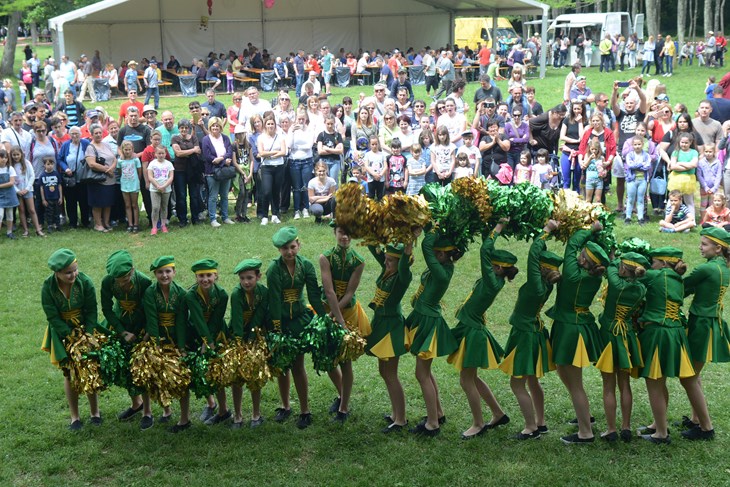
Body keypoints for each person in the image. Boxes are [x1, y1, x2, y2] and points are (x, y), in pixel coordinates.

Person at [636, 247, 710, 443]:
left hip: (658, 334)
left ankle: (661, 433)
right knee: (660, 382)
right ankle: (657, 424)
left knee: (654, 384)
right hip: (676, 334)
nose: (651, 265)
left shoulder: (656, 275)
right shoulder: (678, 280)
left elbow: (627, 276)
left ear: (663, 263)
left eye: (653, 261)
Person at [448, 223, 513, 439]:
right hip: (471, 327)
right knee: (472, 378)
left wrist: (498, 228)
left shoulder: (492, 281)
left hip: (473, 332)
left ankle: (478, 424)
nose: (489, 266)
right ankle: (498, 413)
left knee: (466, 380)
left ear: (499, 269)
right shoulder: (496, 280)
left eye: (493, 264)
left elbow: (484, 250)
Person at [500, 220, 561, 439]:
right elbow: (539, 254)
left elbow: (533, 253)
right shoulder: (547, 283)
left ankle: (530, 427)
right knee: (532, 380)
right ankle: (540, 422)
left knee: (517, 383)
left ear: (541, 269)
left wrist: (547, 231)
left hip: (524, 335)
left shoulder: (536, 285)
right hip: (533, 332)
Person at [549, 223, 608, 444]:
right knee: (564, 371)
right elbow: (576, 248)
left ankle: (585, 432)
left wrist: (590, 229)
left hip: (570, 329)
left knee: (575, 383)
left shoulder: (574, 274)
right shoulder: (594, 276)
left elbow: (572, 242)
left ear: (583, 260)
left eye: (580, 255)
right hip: (576, 324)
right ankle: (586, 417)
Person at [267, 226, 326, 429]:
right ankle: (285, 406)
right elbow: (274, 300)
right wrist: (276, 329)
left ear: (298, 245)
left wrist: (325, 317)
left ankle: (305, 410)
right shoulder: (273, 270)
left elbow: (313, 295)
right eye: (284, 248)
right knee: (282, 368)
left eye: (292, 247)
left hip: (300, 320)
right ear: (279, 250)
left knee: (298, 366)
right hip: (280, 322)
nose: (289, 252)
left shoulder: (307, 266)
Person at [41, 248, 106, 430]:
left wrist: (89, 333)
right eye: (68, 273)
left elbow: (92, 309)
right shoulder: (48, 287)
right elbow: (52, 315)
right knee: (69, 374)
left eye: (75, 270)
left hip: (85, 329)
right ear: (57, 273)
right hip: (62, 332)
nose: (73, 275)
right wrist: (69, 336)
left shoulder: (85, 282)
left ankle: (95, 413)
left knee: (89, 369)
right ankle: (75, 417)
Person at [406, 230, 461, 437]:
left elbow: (425, 247)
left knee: (421, 374)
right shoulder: (443, 267)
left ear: (441, 255)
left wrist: (432, 228)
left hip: (428, 322)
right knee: (426, 373)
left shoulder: (441, 271)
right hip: (424, 317)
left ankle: (432, 424)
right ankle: (437, 413)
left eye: (436, 252)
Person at [679, 227, 730, 438]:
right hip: (709, 322)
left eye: (704, 244)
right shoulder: (722, 267)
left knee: (687, 377)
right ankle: (696, 419)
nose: (700, 247)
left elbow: (681, 286)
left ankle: (706, 428)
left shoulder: (707, 269)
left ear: (718, 248)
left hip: (703, 324)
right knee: (694, 374)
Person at [594, 253, 649, 443]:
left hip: (609, 334)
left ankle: (611, 429)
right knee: (624, 383)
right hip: (627, 336)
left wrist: (616, 256)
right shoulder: (641, 289)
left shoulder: (616, 285)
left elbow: (611, 264)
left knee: (608, 385)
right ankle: (626, 426)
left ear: (624, 269)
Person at [319, 223, 370, 423]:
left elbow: (350, 293)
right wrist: (333, 316)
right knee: (328, 358)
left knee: (345, 360)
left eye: (348, 233)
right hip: (328, 311)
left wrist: (338, 316)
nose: (345, 237)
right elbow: (329, 290)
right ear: (335, 233)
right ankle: (342, 394)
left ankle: (344, 408)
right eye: (341, 232)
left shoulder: (359, 261)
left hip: (347, 312)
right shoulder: (325, 258)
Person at [100, 250, 154, 429]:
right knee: (124, 366)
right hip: (120, 325)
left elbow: (150, 310)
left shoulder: (144, 282)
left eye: (126, 278)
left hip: (140, 327)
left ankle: (147, 411)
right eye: (119, 280)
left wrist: (144, 333)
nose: (123, 282)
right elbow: (107, 309)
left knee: (141, 368)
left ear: (132, 270)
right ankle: (135, 403)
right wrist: (122, 331)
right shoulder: (108, 282)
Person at [366, 237, 415, 433]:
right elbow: (373, 247)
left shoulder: (403, 275)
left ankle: (401, 419)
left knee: (391, 374)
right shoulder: (387, 269)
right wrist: (372, 229)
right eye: (385, 259)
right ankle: (395, 414)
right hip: (380, 324)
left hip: (391, 326)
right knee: (384, 372)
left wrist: (409, 244)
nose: (385, 262)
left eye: (390, 260)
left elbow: (403, 261)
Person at [143, 255, 191, 433]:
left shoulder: (181, 294)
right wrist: (155, 345)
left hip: (177, 339)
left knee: (181, 377)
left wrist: (181, 347)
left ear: (174, 272)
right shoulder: (150, 293)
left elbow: (181, 321)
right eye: (160, 272)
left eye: (168, 271)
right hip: (158, 338)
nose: (164, 275)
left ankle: (185, 418)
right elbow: (152, 320)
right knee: (157, 374)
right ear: (155, 274)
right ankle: (166, 410)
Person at [185, 259, 230, 426]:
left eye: (209, 275)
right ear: (196, 277)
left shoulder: (222, 294)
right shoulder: (190, 295)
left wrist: (210, 342)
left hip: (217, 334)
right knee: (199, 370)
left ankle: (223, 410)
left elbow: (216, 320)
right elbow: (197, 319)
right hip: (196, 333)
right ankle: (211, 402)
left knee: (216, 371)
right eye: (201, 276)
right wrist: (205, 341)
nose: (205, 279)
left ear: (216, 275)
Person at [201, 117, 234, 227]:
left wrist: (221, 160)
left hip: (225, 172)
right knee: (213, 196)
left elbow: (229, 151)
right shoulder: (206, 139)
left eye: (217, 126)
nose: (215, 128)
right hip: (212, 172)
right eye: (213, 126)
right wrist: (223, 161)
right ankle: (213, 218)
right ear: (210, 127)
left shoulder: (225, 138)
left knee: (224, 195)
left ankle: (225, 217)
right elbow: (207, 155)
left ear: (221, 127)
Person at [85, 123, 117, 232]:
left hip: (110, 179)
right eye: (96, 133)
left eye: (100, 132)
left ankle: (106, 222)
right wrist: (107, 170)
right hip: (98, 180)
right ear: (92, 135)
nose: (98, 135)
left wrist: (112, 168)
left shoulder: (106, 144)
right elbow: (91, 164)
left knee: (108, 202)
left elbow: (114, 158)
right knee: (97, 203)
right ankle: (98, 224)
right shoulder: (90, 147)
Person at [256, 113, 287, 226]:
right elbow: (261, 152)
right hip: (267, 168)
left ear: (275, 125)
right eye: (268, 124)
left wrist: (271, 154)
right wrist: (275, 153)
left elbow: (284, 152)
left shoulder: (281, 136)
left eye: (272, 124)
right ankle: (264, 216)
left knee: (276, 191)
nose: (270, 126)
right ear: (265, 125)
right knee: (266, 191)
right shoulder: (261, 137)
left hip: (279, 167)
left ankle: (275, 214)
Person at [667, 132, 699, 222]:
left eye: (686, 143)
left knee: (689, 201)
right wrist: (687, 166)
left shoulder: (694, 152)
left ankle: (692, 220)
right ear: (679, 142)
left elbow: (694, 164)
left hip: (689, 179)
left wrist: (680, 163)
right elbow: (673, 166)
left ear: (690, 143)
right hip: (676, 179)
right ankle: (668, 218)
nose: (684, 144)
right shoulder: (676, 152)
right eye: (682, 142)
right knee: (672, 200)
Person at [623, 136, 652, 225]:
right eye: (635, 144)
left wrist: (637, 165)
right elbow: (630, 165)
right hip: (632, 179)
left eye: (639, 144)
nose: (637, 146)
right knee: (630, 199)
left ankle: (641, 218)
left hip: (642, 180)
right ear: (632, 145)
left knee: (641, 199)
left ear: (642, 144)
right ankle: (628, 217)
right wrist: (640, 165)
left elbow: (647, 166)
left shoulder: (646, 155)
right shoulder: (629, 155)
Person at [147, 145, 174, 235]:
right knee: (155, 207)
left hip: (166, 189)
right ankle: (154, 226)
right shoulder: (152, 163)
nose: (161, 155)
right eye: (159, 153)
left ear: (165, 154)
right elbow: (150, 176)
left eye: (162, 153)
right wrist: (158, 186)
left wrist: (164, 186)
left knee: (164, 207)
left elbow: (171, 177)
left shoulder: (169, 164)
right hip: (154, 189)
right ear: (155, 154)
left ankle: (163, 225)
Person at [559, 100, 586, 191]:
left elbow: (582, 138)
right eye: (574, 109)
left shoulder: (585, 122)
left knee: (576, 181)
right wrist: (575, 141)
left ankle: (576, 202)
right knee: (566, 180)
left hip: (579, 154)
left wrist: (580, 122)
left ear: (582, 109)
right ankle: (565, 201)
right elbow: (562, 136)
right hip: (567, 152)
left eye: (578, 109)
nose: (576, 111)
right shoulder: (567, 120)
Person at [697, 144, 722, 220]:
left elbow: (719, 176)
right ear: (704, 152)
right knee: (703, 204)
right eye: (706, 151)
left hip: (714, 189)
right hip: (704, 188)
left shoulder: (718, 162)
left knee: (713, 204)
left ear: (714, 152)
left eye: (710, 151)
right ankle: (703, 220)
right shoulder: (701, 162)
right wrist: (705, 187)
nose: (708, 153)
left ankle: (712, 219)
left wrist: (714, 188)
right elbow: (699, 175)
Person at [39, 157, 62, 232]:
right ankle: (50, 225)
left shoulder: (56, 174)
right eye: (48, 164)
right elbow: (41, 188)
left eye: (52, 164)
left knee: (57, 212)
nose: (50, 166)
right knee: (49, 212)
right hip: (48, 198)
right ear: (44, 165)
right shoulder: (42, 175)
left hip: (56, 197)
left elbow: (59, 185)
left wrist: (61, 197)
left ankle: (57, 225)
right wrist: (43, 199)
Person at [0, 148, 18, 238]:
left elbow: (11, 182)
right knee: (0, 214)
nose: (4, 159)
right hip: (0, 196)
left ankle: (9, 232)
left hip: (10, 194)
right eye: (1, 157)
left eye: (5, 157)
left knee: (10, 214)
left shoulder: (10, 168)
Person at [582, 140, 607, 204]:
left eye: (595, 149)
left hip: (599, 180)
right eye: (592, 149)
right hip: (589, 180)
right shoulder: (587, 156)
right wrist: (590, 158)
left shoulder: (601, 158)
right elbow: (584, 166)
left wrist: (604, 173)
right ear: (589, 148)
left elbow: (604, 168)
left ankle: (597, 213)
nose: (594, 151)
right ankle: (588, 213)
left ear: (598, 149)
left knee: (598, 199)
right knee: (588, 199)